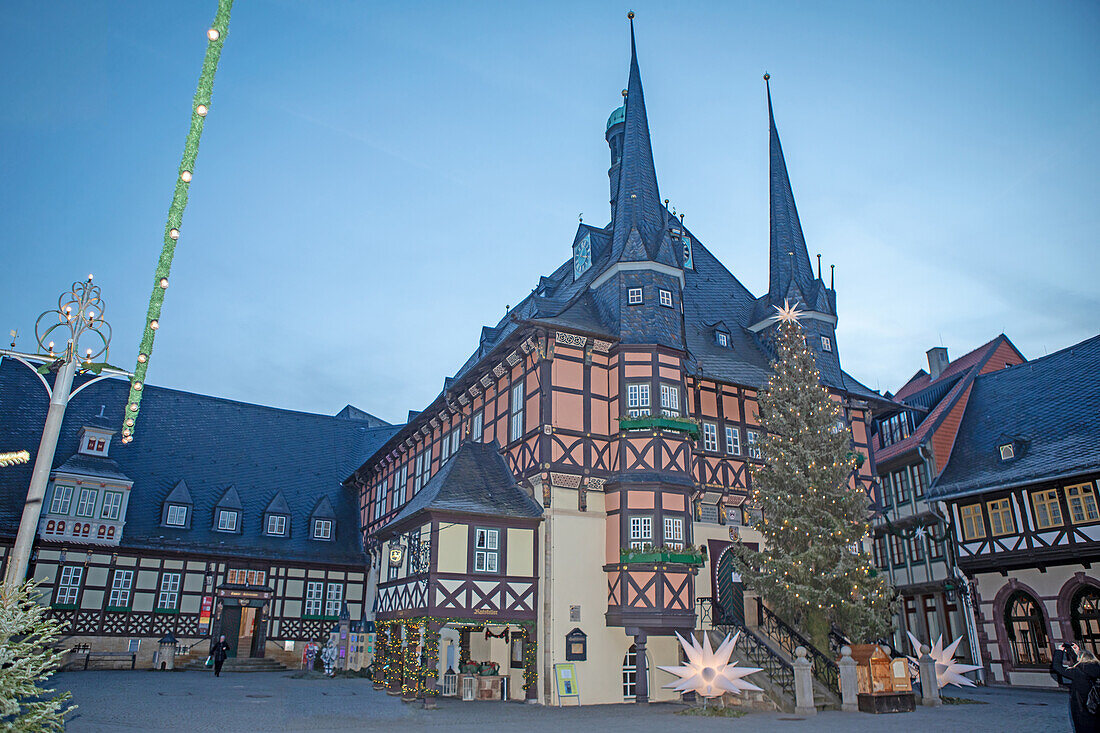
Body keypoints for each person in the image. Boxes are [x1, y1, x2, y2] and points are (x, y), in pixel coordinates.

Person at [1052, 642, 1100, 732]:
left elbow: (1057, 667)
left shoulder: (1078, 672)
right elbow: (1080, 664)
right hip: (1096, 706)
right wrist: (1075, 652)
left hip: (1082, 708)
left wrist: (1059, 651)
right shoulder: (1096, 668)